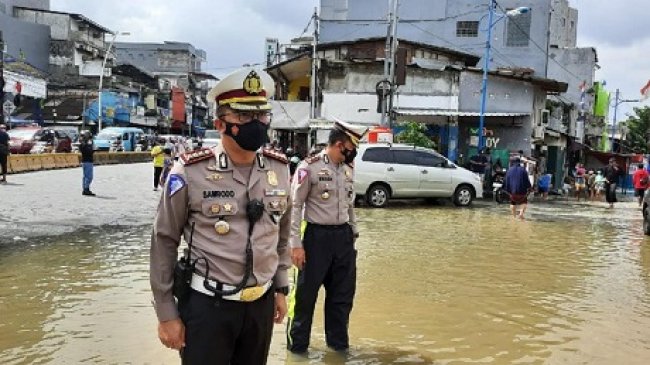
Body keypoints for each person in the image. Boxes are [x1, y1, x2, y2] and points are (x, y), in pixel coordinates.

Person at [150, 67, 292, 364]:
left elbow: (280, 234)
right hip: (207, 307)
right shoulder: (189, 171)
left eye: (261, 115)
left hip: (260, 305)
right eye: (243, 117)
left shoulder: (280, 169)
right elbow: (164, 240)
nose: (255, 123)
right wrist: (166, 313)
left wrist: (281, 287)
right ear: (220, 123)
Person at [287, 120, 368, 354]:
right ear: (340, 145)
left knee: (341, 299)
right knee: (304, 298)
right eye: (351, 148)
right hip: (315, 237)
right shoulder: (308, 167)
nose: (352, 153)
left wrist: (353, 232)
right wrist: (295, 245)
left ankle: (338, 348)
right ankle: (297, 350)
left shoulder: (347, 169)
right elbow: (295, 206)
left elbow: (350, 204)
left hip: (342, 239)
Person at [79, 130, 95, 196]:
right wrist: (93, 149)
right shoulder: (85, 145)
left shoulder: (83, 144)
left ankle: (85, 188)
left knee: (85, 176)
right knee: (89, 177)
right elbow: (89, 152)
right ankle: (86, 189)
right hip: (88, 161)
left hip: (85, 161)